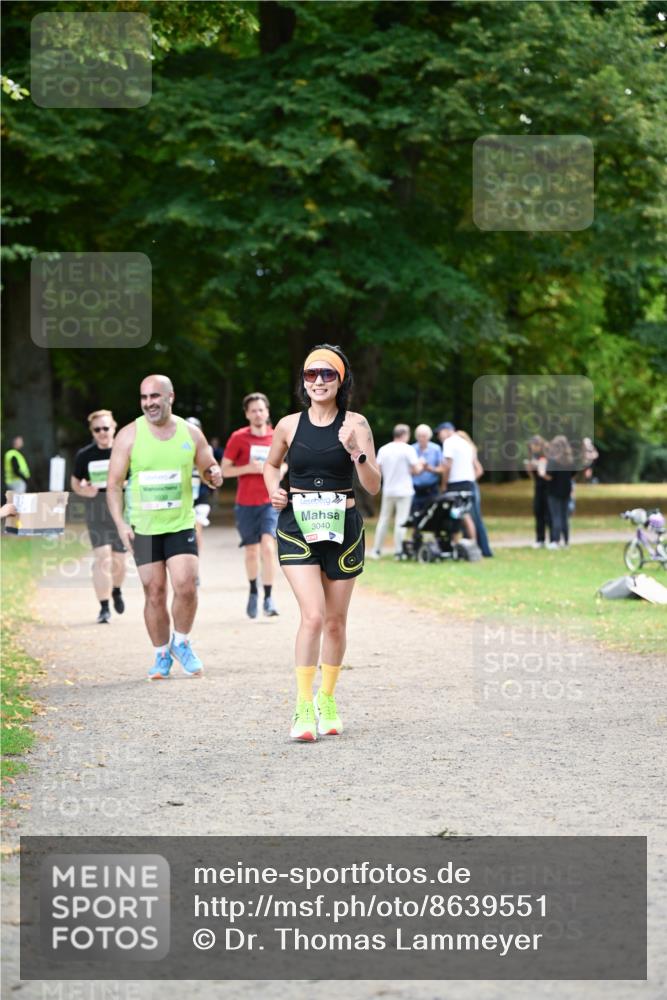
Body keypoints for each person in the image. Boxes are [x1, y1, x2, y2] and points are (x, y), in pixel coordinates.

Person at [263, 345, 381, 742]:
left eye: (327, 374)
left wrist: (356, 453)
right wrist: (273, 491)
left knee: (335, 621)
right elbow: (270, 464)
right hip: (297, 525)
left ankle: (326, 699)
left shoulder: (356, 424)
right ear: (303, 380)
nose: (318, 381)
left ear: (340, 380)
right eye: (311, 374)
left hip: (343, 528)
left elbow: (374, 485)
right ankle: (301, 705)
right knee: (312, 616)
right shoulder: (288, 425)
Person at [107, 375, 222, 679]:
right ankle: (161, 653)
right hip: (143, 527)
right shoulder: (129, 435)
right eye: (144, 397)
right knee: (154, 590)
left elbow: (208, 468)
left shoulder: (190, 433)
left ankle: (181, 641)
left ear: (170, 397)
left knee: (186, 584)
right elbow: (113, 484)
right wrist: (120, 525)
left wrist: (214, 475)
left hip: (180, 522)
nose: (149, 403)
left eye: (155, 396)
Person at [222, 393, 283, 618]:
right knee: (251, 551)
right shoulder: (239, 438)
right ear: (247, 414)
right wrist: (248, 468)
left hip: (270, 501)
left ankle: (268, 597)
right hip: (246, 503)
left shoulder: (277, 436)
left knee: (268, 547)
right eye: (253, 410)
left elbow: (286, 465)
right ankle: (253, 591)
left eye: (261, 410)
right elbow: (225, 469)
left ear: (267, 412)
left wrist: (278, 469)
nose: (258, 414)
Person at [71, 410, 127, 624]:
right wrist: (85, 491)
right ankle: (104, 608)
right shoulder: (85, 455)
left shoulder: (125, 451)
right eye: (97, 429)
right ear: (92, 432)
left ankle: (117, 589)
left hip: (121, 514)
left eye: (106, 428)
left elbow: (138, 476)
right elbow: (75, 482)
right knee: (102, 557)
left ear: (114, 427)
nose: (102, 432)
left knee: (119, 561)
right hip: (96, 513)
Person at [370, 424, 422, 559]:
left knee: (383, 520)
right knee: (401, 521)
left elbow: (378, 470)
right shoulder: (408, 449)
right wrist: (421, 464)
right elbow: (416, 470)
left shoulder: (384, 449)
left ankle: (376, 550)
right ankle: (399, 552)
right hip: (405, 491)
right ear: (405, 434)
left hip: (389, 489)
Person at [437, 422, 477, 544]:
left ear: (447, 431)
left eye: (439, 433)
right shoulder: (466, 443)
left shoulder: (449, 442)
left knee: (456, 513)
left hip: (456, 482)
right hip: (468, 482)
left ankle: (455, 542)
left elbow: (447, 466)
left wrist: (444, 484)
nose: (439, 436)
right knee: (464, 513)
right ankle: (471, 542)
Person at [457, 430, 493, 558]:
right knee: (467, 518)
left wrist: (470, 479)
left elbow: (479, 470)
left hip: (470, 487)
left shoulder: (469, 452)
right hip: (469, 485)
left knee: (474, 518)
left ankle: (482, 548)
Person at [539, 435, 576, 549]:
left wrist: (541, 473)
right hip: (566, 490)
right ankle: (566, 541)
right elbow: (573, 475)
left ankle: (555, 540)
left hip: (554, 491)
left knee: (556, 516)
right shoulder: (570, 460)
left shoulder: (553, 461)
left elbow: (549, 476)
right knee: (564, 517)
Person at [524, 435, 550, 548]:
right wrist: (529, 470)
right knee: (538, 512)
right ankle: (540, 539)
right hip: (538, 487)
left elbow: (548, 474)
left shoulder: (548, 456)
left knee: (549, 514)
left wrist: (539, 466)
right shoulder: (533, 456)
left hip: (548, 488)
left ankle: (553, 539)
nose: (533, 449)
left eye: (534, 446)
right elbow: (533, 477)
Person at [410, 424, 442, 515]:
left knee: (434, 514)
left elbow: (442, 469)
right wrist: (417, 469)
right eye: (419, 436)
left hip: (432, 488)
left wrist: (430, 469)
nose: (421, 438)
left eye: (424, 436)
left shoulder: (436, 449)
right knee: (415, 514)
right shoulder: (411, 449)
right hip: (415, 488)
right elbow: (407, 470)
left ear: (429, 436)